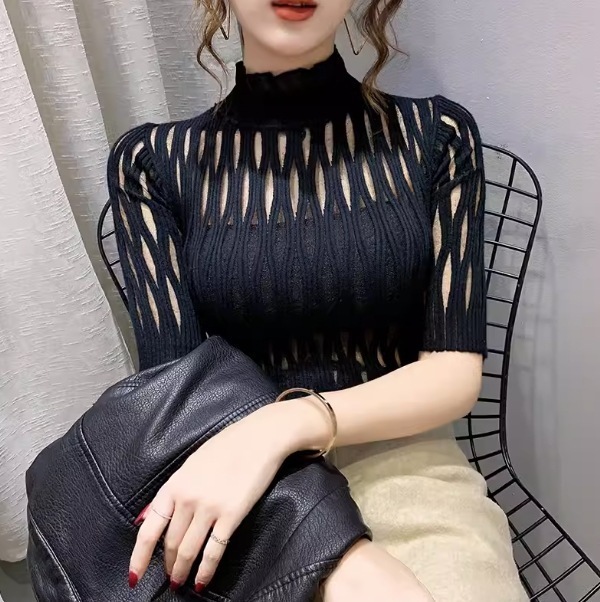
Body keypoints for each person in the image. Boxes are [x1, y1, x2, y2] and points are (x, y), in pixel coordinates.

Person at [107, 0, 528, 600]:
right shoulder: (153, 165)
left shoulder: (437, 137)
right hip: (236, 484)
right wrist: (336, 549)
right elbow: (177, 392)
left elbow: (453, 373)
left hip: (405, 464)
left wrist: (291, 421)